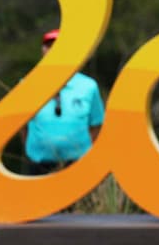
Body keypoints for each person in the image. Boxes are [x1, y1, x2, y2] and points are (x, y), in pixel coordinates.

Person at [22, 29, 105, 175]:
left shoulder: (88, 86)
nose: (54, 51)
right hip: (39, 166)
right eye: (49, 46)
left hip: (78, 166)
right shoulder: (27, 84)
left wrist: (85, 154)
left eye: (60, 46)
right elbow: (21, 125)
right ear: (43, 50)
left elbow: (96, 125)